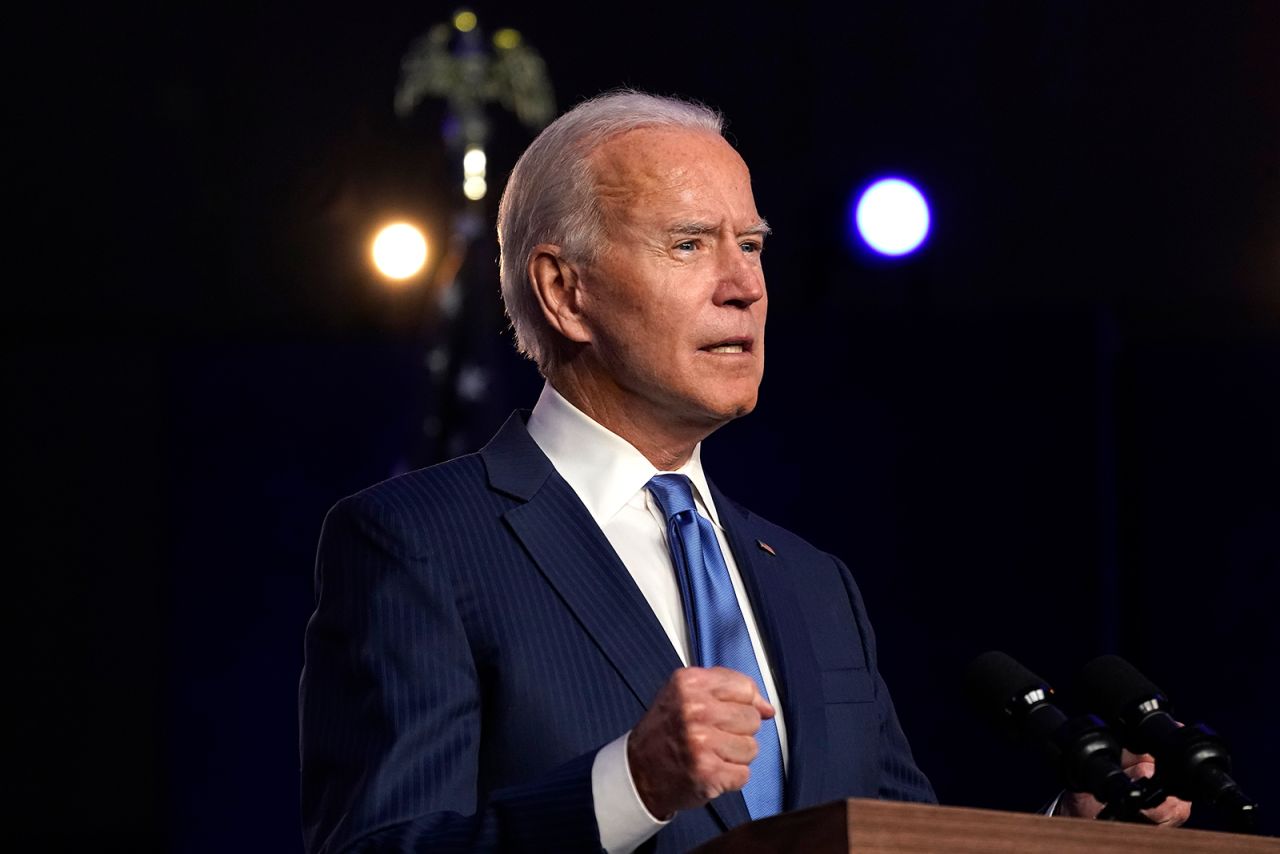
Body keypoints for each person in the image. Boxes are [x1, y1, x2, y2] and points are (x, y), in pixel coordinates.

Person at [299, 90, 1184, 853]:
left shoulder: (812, 583)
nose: (745, 287)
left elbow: (890, 839)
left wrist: (1072, 830)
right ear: (565, 293)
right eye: (690, 244)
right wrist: (625, 788)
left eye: (751, 245)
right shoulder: (419, 543)